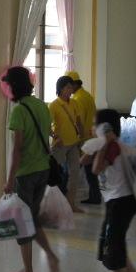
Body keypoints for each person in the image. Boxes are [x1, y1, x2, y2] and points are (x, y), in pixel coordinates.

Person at [2, 66, 60, 272]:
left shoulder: (19, 111)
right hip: (43, 169)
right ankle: (51, 255)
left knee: (22, 221)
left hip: (26, 173)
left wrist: (9, 180)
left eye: (9, 84)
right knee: (32, 218)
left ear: (14, 86)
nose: (7, 88)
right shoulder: (41, 105)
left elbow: (18, 149)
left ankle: (28, 270)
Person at [92, 109, 136, 272]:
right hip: (117, 201)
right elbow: (85, 161)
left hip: (121, 202)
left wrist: (104, 144)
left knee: (115, 246)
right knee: (116, 244)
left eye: (95, 124)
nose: (93, 127)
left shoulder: (112, 147)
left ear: (104, 127)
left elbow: (96, 169)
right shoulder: (110, 145)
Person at [49, 76, 85, 213]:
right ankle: (53, 204)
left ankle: (70, 204)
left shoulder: (74, 103)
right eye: (68, 87)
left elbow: (79, 122)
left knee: (75, 174)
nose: (71, 90)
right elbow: (47, 125)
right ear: (61, 88)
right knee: (54, 174)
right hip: (60, 145)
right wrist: (55, 136)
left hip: (74, 143)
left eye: (71, 87)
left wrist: (81, 139)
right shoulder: (54, 105)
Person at [67, 71, 102, 205]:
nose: (68, 89)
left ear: (75, 84)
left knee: (81, 169)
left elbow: (78, 121)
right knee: (90, 169)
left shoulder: (78, 99)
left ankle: (93, 196)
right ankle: (95, 195)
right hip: (91, 136)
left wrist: (76, 138)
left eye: (69, 86)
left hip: (84, 139)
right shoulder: (87, 95)